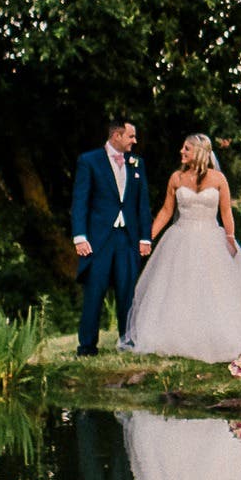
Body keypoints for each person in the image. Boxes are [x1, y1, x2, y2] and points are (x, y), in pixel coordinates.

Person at [122, 133, 241, 363]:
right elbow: (166, 212)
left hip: (211, 239)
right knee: (180, 289)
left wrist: (230, 238)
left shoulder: (218, 179)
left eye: (186, 148)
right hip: (180, 240)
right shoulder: (176, 178)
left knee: (216, 290)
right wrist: (147, 238)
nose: (181, 152)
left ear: (198, 152)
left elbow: (226, 212)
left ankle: (217, 334)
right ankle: (178, 335)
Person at [69, 118, 154, 356]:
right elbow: (80, 202)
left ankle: (127, 342)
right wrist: (80, 237)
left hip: (127, 239)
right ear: (116, 136)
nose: (134, 141)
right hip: (99, 240)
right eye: (131, 136)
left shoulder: (137, 163)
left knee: (128, 292)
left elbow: (142, 203)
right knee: (94, 293)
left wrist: (145, 238)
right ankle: (86, 347)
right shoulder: (89, 161)